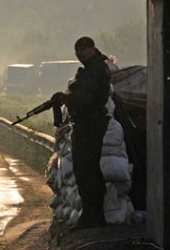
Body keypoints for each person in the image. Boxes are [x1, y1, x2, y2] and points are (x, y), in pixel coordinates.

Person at [51, 36, 111, 229]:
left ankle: (92, 217)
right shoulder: (92, 68)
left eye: (84, 50)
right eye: (78, 51)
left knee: (86, 170)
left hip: (90, 125)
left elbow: (85, 99)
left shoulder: (95, 70)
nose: (80, 54)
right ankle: (93, 216)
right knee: (88, 170)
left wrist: (66, 99)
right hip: (89, 124)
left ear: (92, 49)